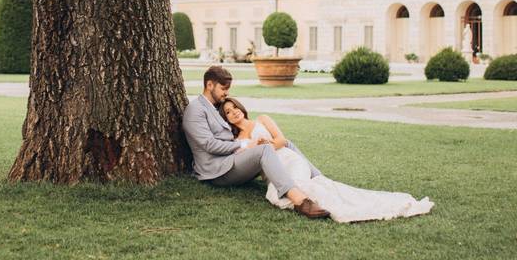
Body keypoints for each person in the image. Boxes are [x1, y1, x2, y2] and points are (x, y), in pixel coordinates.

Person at [219, 97, 434, 223]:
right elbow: (247, 165)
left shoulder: (262, 119)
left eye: (234, 107)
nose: (234, 113)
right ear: (226, 119)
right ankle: (320, 204)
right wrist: (253, 148)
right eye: (228, 112)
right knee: (276, 194)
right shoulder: (238, 141)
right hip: (272, 174)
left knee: (302, 184)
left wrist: (266, 145)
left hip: (289, 160)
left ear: (241, 107)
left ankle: (321, 206)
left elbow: (282, 140)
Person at [181, 65, 330, 219]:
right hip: (216, 171)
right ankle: (300, 201)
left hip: (232, 159)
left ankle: (318, 176)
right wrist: (245, 144)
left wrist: (248, 145)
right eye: (223, 88)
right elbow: (209, 145)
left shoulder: (214, 107)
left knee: (284, 143)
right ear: (209, 85)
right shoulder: (195, 109)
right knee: (265, 149)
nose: (226, 93)